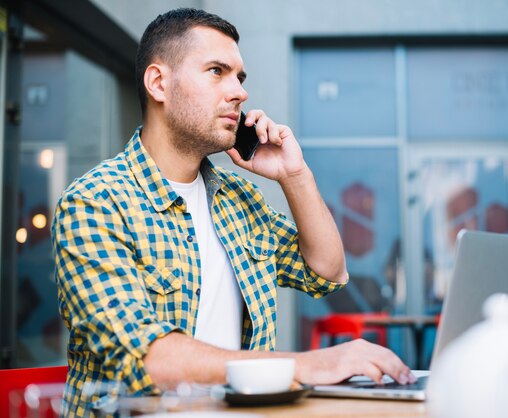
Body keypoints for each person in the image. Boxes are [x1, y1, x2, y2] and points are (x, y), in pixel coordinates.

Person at [52, 8, 414, 416]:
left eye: (239, 77)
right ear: (158, 83)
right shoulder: (94, 202)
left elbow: (327, 271)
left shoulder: (237, 200)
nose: (239, 92)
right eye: (216, 71)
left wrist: (292, 174)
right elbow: (148, 359)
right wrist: (308, 365)